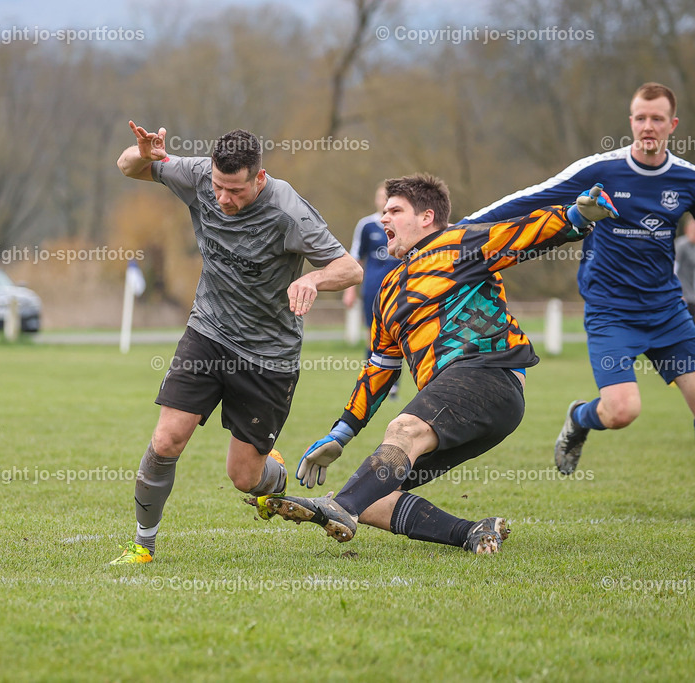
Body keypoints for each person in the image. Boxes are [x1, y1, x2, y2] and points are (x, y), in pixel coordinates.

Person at [265, 173, 619, 554]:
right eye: (383, 211)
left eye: (395, 210)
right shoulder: (386, 293)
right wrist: (342, 432)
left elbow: (520, 234)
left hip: (488, 375)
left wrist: (574, 218)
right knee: (373, 497)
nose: (383, 218)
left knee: (403, 429)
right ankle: (472, 532)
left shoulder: (458, 243)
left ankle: (338, 508)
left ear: (427, 217)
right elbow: (379, 369)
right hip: (463, 403)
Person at [110, 122, 362, 564]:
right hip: (208, 332)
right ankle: (142, 546)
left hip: (268, 356)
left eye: (236, 191)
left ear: (259, 178)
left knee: (244, 476)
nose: (224, 199)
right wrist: (145, 154)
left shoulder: (289, 211)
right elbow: (126, 167)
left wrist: (314, 277)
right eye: (220, 188)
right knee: (167, 439)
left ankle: (274, 475)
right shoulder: (198, 176)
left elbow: (350, 269)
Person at [461, 82, 695, 473]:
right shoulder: (602, 170)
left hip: (668, 311)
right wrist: (463, 227)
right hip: (612, 312)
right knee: (623, 411)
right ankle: (580, 419)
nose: (648, 126)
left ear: (672, 124)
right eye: (641, 118)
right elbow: (534, 196)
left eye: (657, 119)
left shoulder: (686, 179)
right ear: (631, 122)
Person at [344, 182, 402, 398]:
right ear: (377, 199)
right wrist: (350, 290)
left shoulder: (404, 225)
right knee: (373, 335)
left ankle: (394, 384)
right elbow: (355, 259)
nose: (384, 200)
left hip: (399, 290)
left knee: (398, 335)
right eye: (381, 196)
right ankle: (372, 381)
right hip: (372, 290)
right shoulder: (366, 225)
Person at [675, 214, 695, 320]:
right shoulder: (681, 245)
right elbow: (674, 268)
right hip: (684, 297)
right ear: (687, 229)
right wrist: (678, 293)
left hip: (693, 296)